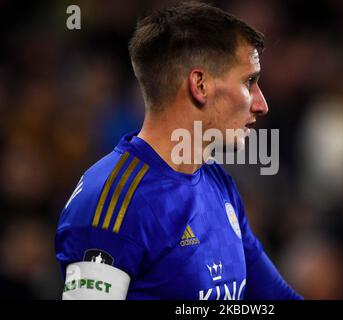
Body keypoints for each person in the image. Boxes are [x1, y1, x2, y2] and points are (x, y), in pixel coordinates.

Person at [55, 1, 302, 300]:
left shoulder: (217, 183)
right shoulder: (112, 204)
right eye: (249, 81)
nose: (262, 104)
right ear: (200, 85)